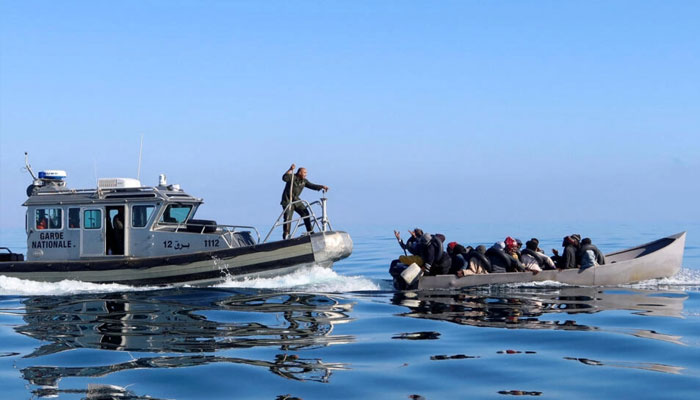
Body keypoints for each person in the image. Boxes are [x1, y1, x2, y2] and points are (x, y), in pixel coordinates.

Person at [281, 164, 329, 239]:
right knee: (288, 218)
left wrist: (322, 186)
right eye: (304, 173)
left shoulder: (304, 181)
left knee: (306, 213)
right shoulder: (292, 177)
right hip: (288, 201)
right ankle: (286, 236)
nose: (305, 174)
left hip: (296, 200)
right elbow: (284, 178)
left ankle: (310, 232)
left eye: (306, 173)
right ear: (299, 172)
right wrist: (290, 169)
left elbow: (312, 186)